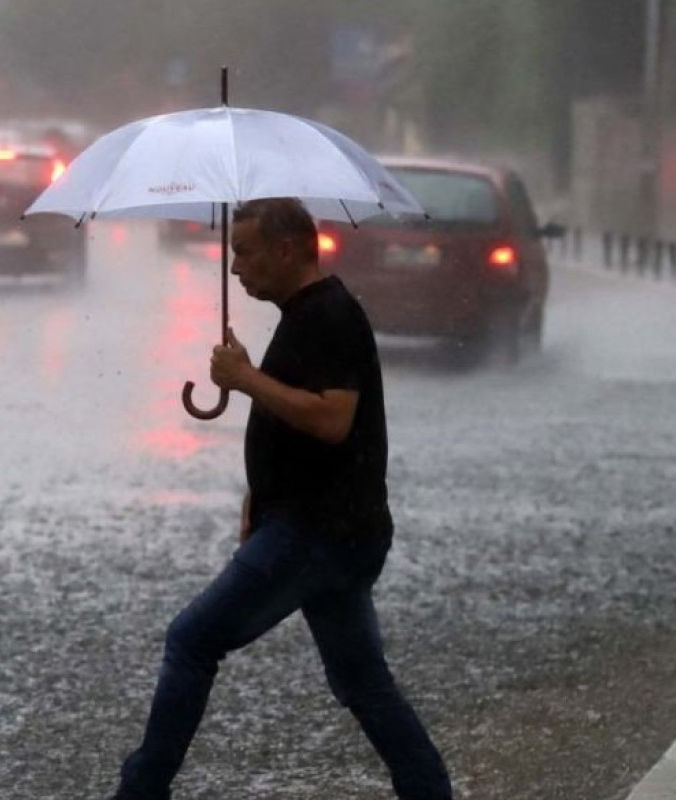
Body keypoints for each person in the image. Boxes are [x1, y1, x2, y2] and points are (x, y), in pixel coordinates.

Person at [109, 198, 453, 800]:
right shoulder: (304, 314)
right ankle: (429, 791)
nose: (235, 266)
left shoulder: (329, 316)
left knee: (192, 640)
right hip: (332, 529)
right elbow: (295, 424)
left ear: (287, 250)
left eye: (245, 251)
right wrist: (257, 497)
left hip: (316, 533)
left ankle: (140, 791)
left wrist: (244, 379)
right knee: (362, 681)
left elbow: (332, 420)